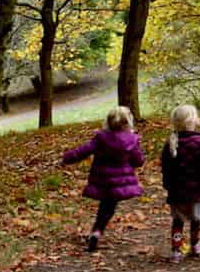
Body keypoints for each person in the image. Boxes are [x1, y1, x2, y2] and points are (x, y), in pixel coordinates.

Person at [61, 106, 144, 253]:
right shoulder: (132, 140)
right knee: (109, 207)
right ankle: (97, 231)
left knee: (105, 205)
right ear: (128, 122)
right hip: (119, 183)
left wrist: (67, 158)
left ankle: (96, 231)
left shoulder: (101, 137)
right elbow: (138, 161)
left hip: (102, 180)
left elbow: (84, 150)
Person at [159, 104, 200, 261]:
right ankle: (195, 245)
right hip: (196, 192)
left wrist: (168, 186)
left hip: (176, 192)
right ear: (193, 121)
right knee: (196, 219)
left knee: (178, 220)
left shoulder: (170, 142)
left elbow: (165, 169)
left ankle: (176, 251)